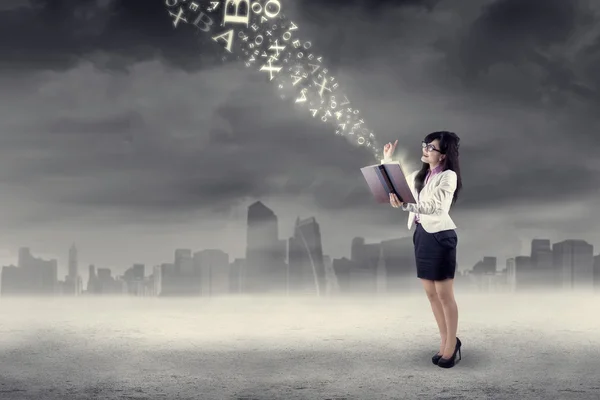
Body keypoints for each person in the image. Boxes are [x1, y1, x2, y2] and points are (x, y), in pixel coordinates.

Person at [382, 131, 463, 368]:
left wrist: (406, 204)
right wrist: (387, 159)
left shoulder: (448, 177)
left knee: (444, 295)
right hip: (421, 235)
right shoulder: (420, 175)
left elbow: (435, 208)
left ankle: (451, 347)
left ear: (444, 155)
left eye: (431, 147)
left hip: (440, 237)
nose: (425, 150)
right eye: (425, 145)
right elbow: (395, 184)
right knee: (431, 294)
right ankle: (445, 340)